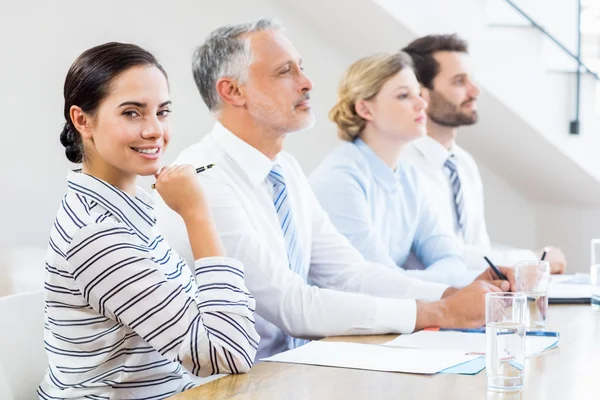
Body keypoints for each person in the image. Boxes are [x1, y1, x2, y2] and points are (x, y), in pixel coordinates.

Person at [155, 19, 514, 360]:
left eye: (301, 67)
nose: (307, 82)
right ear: (233, 91)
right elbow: (292, 306)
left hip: (297, 368)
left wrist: (453, 295)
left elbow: (349, 273)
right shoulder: (205, 180)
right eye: (285, 71)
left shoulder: (286, 170)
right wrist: (441, 310)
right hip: (237, 382)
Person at [39, 42, 259, 400]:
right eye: (132, 113)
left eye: (163, 111)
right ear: (83, 121)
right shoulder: (95, 234)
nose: (155, 130)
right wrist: (197, 215)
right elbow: (228, 353)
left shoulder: (130, 210)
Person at [400, 34, 567, 273]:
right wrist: (532, 260)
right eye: (459, 82)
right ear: (421, 93)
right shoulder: (403, 165)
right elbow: (443, 256)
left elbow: (477, 250)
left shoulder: (464, 165)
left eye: (472, 80)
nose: (475, 91)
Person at [310, 52, 477, 287]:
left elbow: (449, 258)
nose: (421, 104)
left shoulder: (409, 175)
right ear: (366, 110)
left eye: (419, 93)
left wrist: (415, 281)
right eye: (403, 96)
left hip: (394, 314)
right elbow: (376, 281)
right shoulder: (339, 179)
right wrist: (442, 284)